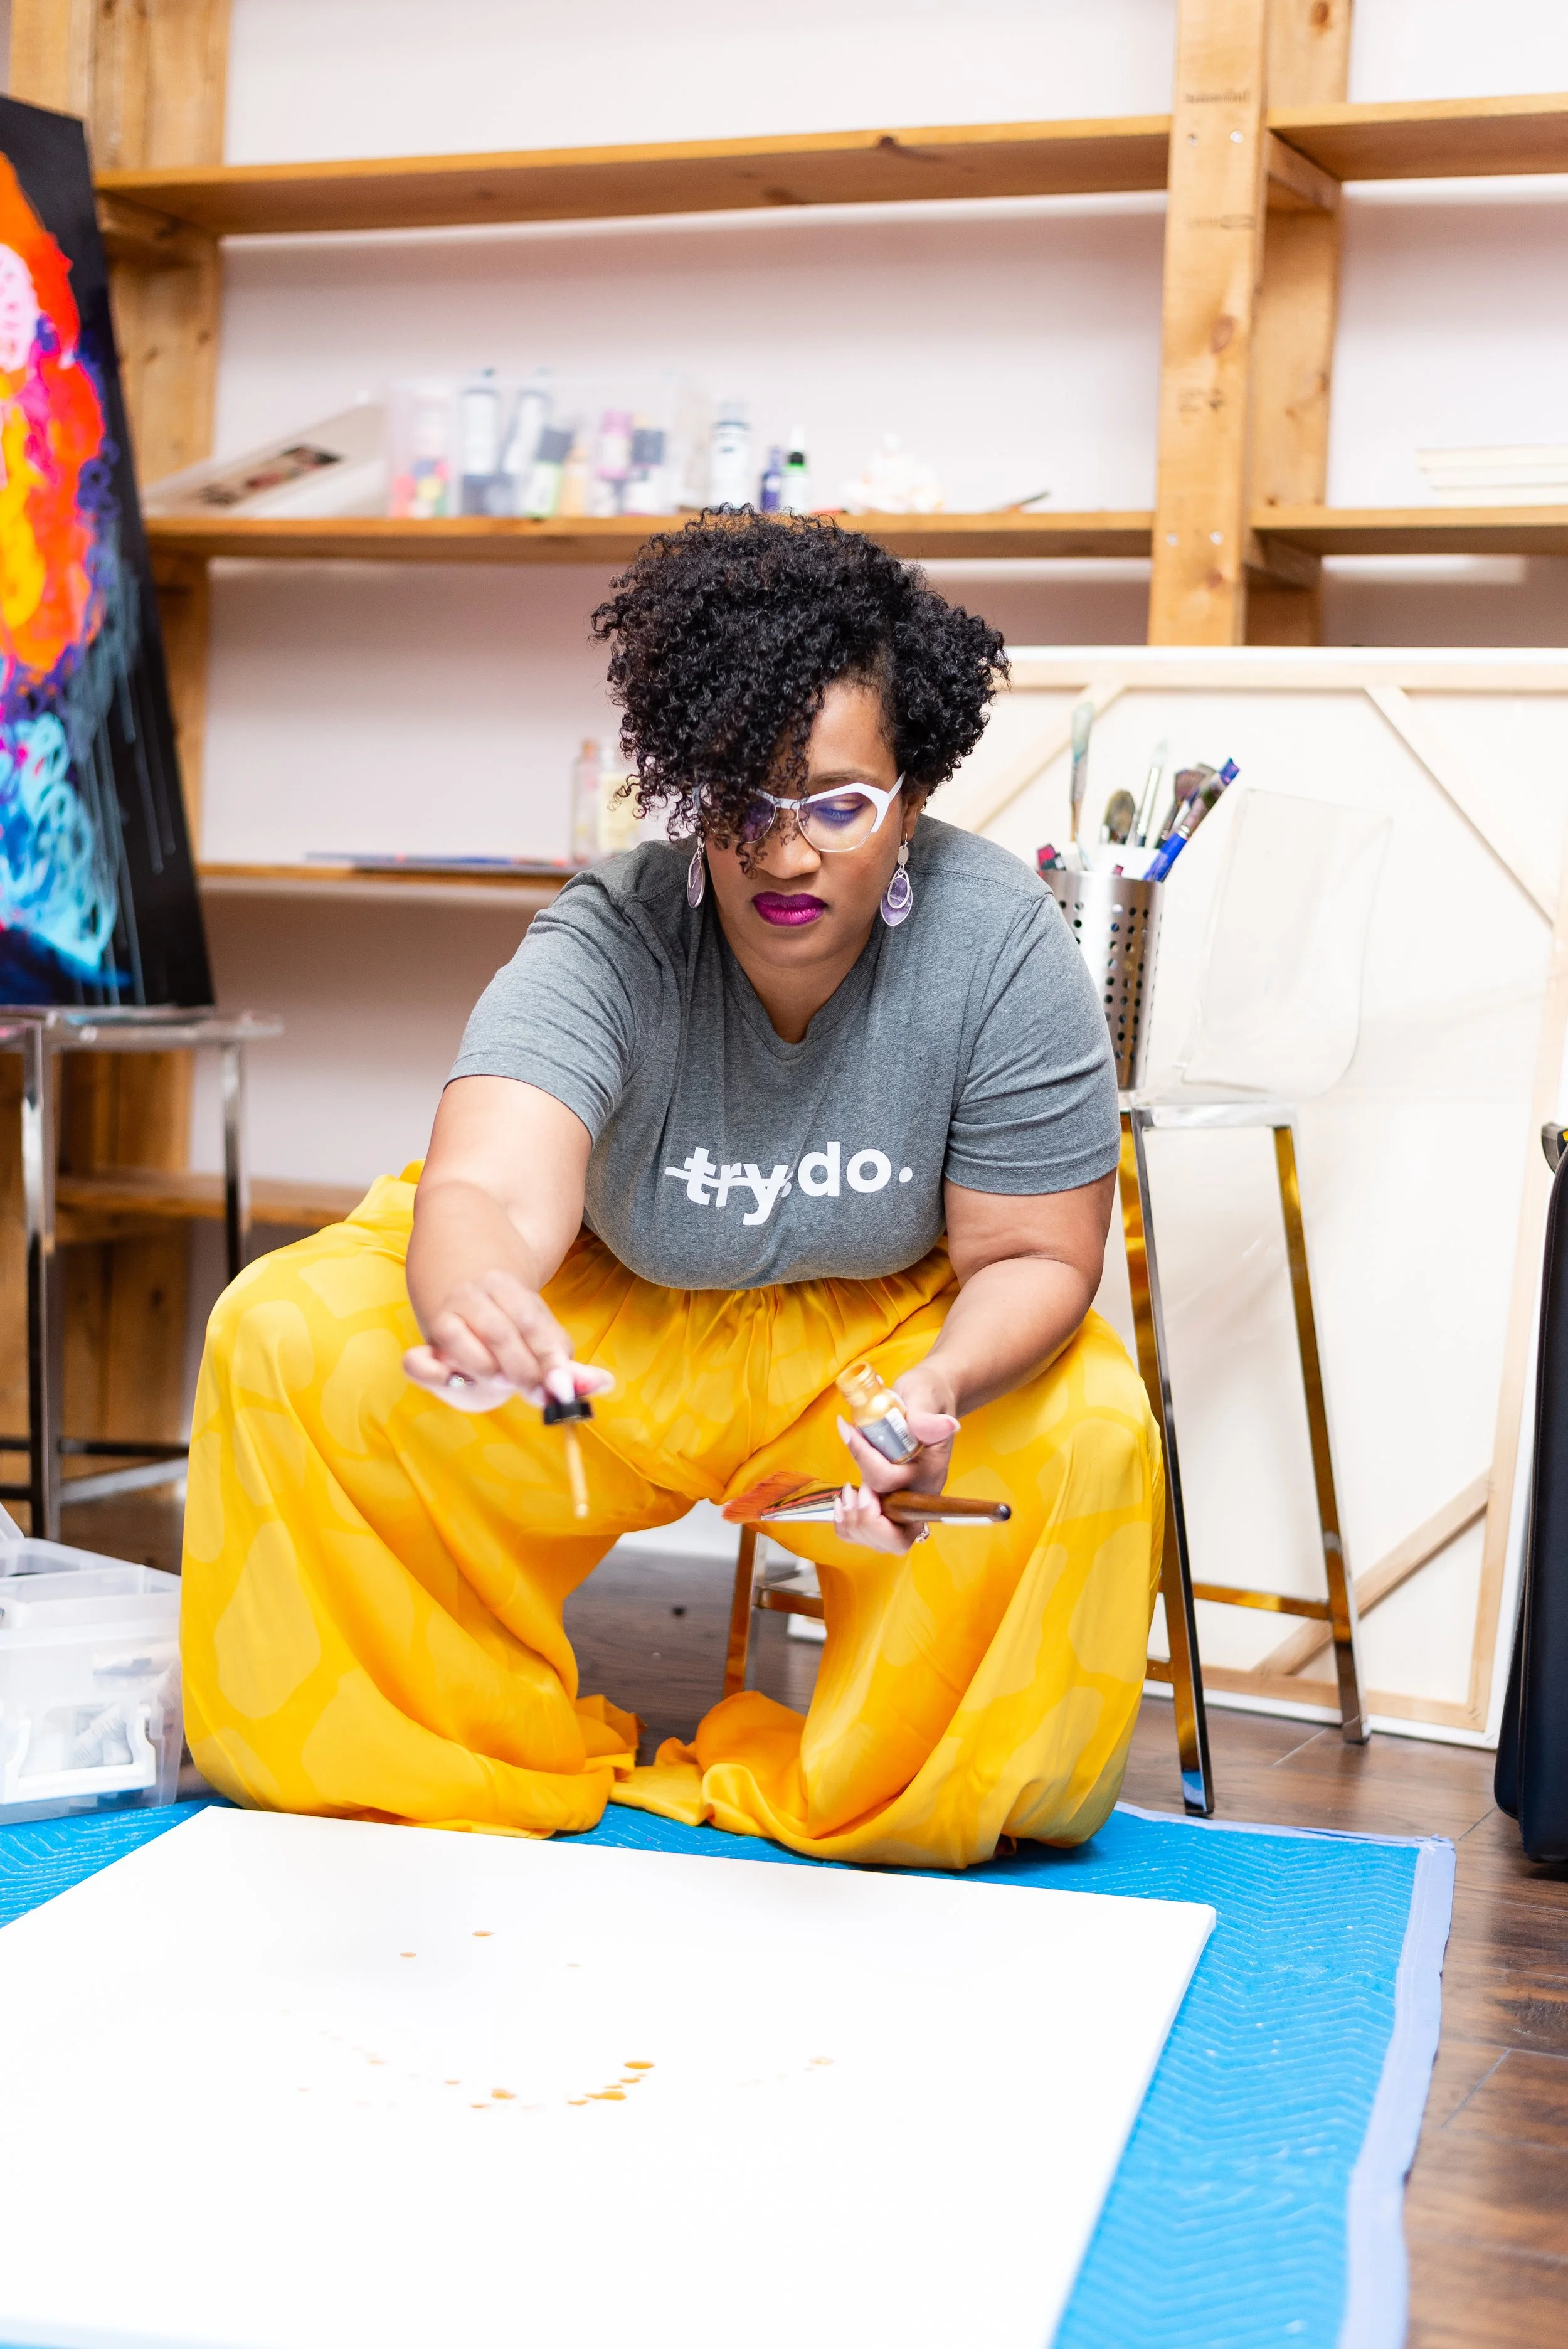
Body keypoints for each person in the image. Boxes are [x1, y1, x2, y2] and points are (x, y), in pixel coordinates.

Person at [180, 514, 1162, 1869]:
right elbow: (487, 1180)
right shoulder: (612, 928)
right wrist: (475, 1301)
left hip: (871, 1354)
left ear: (912, 796)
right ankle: (450, 1757)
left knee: (1088, 1428)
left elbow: (1037, 1253)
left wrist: (938, 1391)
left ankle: (881, 1789)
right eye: (739, 802)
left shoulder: (998, 942)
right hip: (606, 1330)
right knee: (284, 1338)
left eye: (836, 804)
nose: (783, 852)